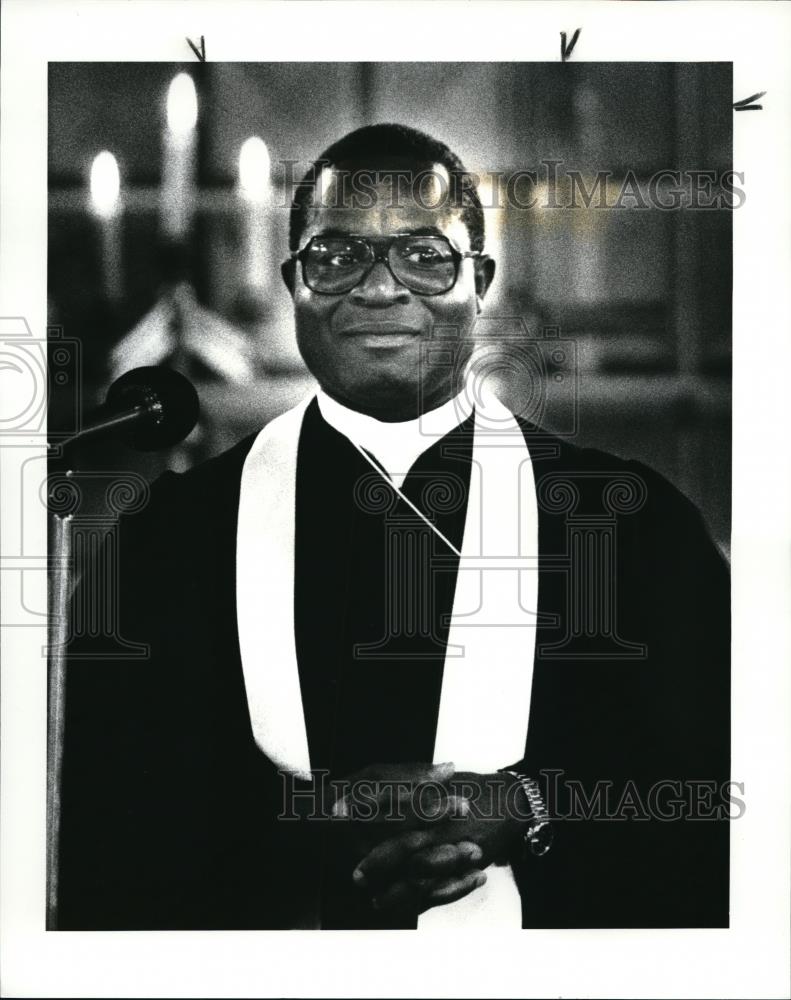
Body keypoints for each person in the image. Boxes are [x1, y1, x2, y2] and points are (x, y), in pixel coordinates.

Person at [57, 123, 730, 931]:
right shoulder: (171, 535)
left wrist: (530, 805)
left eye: (424, 254)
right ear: (291, 283)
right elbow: (111, 822)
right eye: (335, 257)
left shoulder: (629, 526)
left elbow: (716, 795)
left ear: (479, 282)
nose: (378, 289)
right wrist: (294, 827)